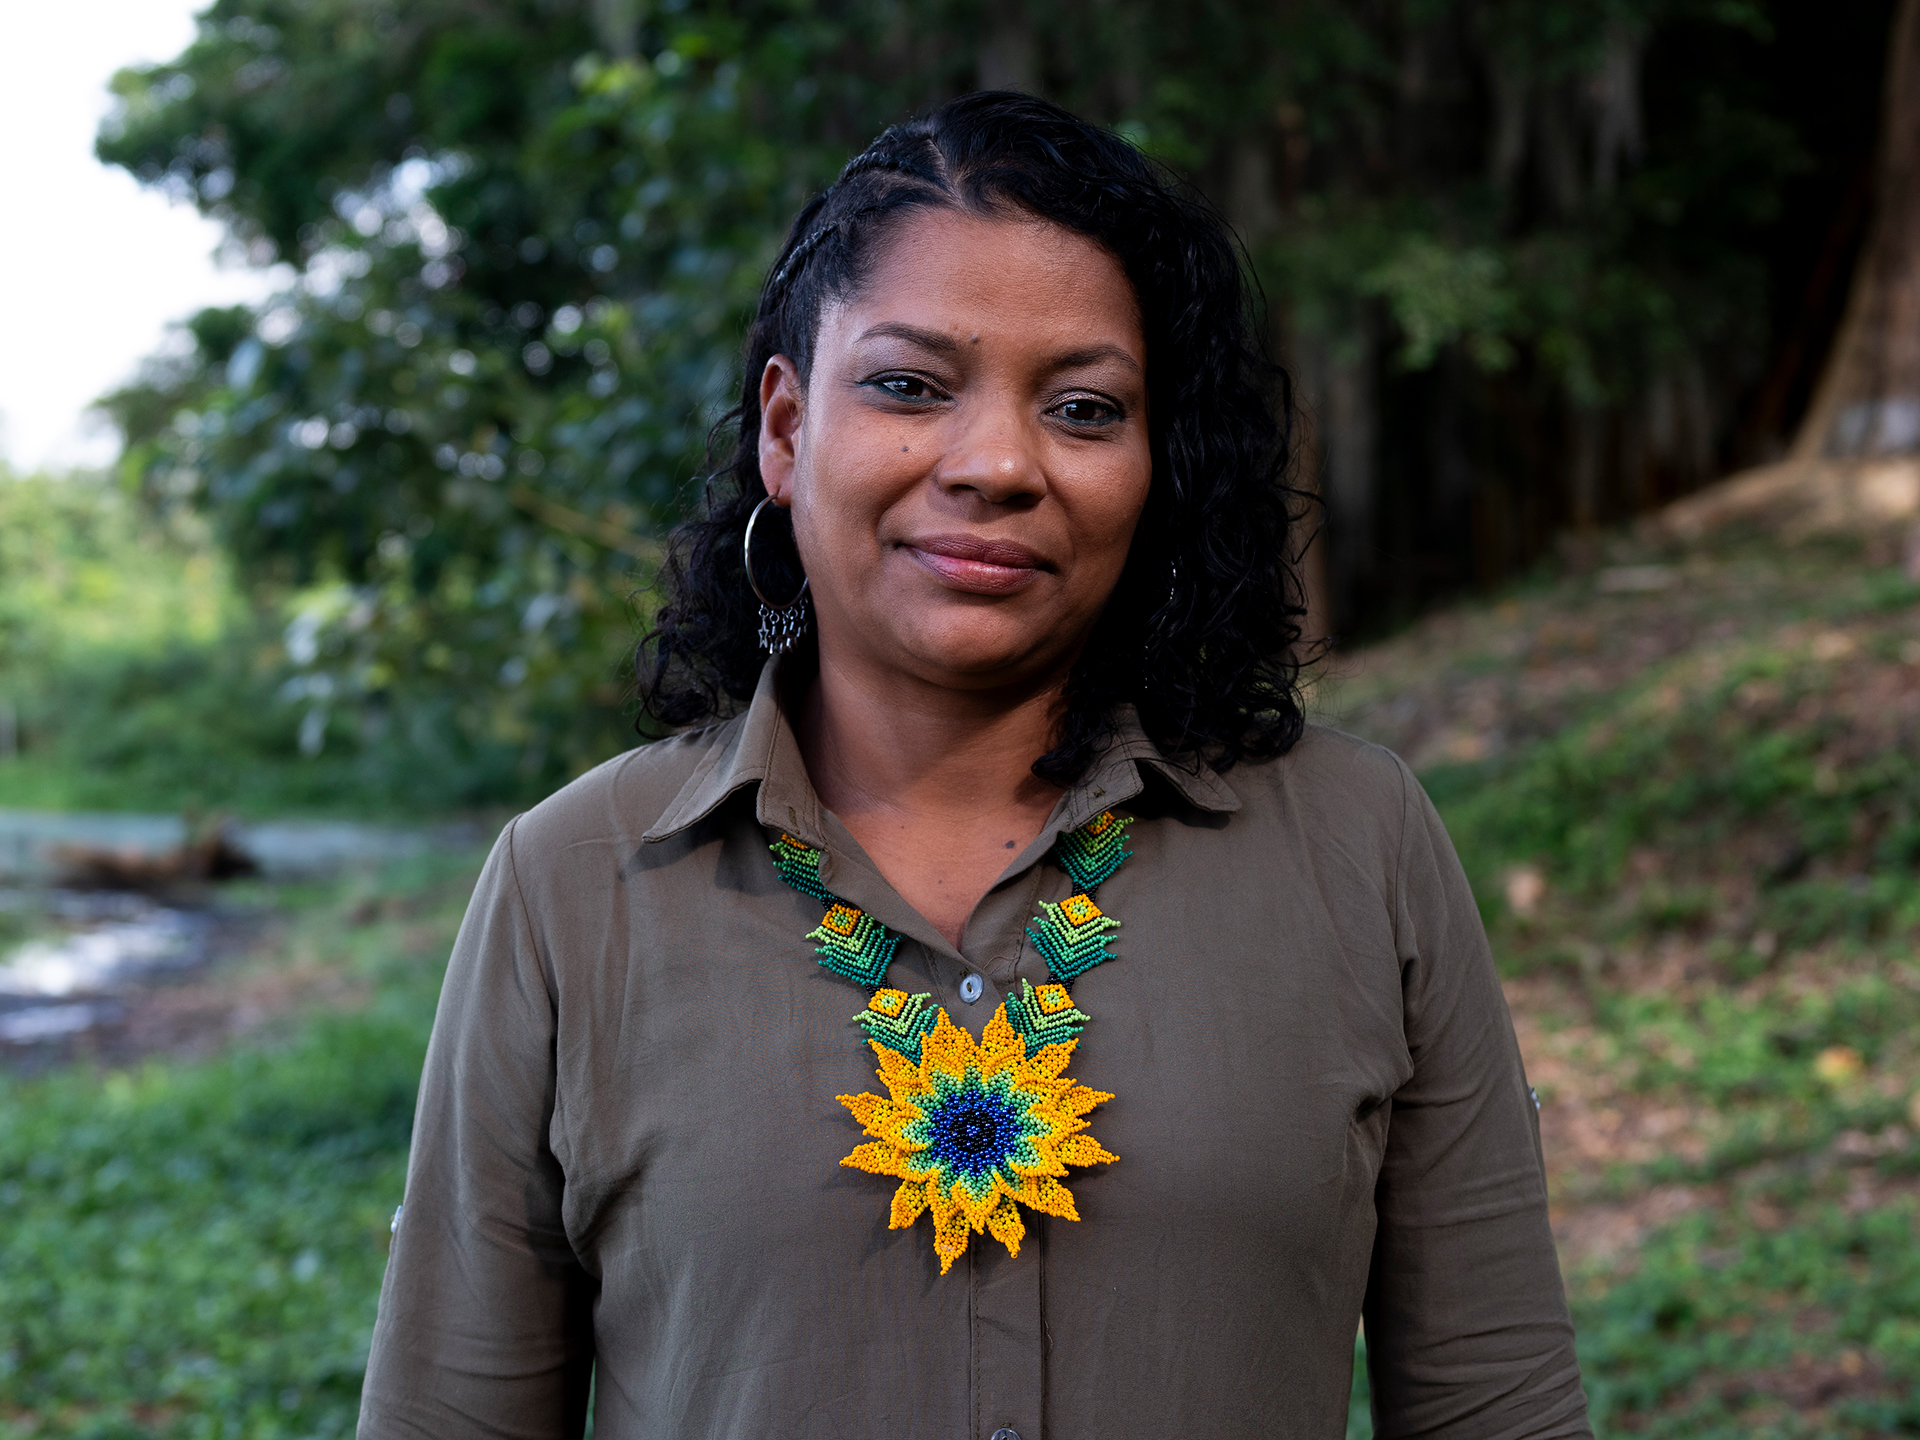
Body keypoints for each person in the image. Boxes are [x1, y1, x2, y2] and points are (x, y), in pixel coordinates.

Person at [357, 91, 1591, 1440]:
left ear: (1153, 465)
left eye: (1083, 406)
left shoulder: (1360, 846)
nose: (998, 463)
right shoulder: (571, 884)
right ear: (785, 428)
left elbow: (1498, 1407)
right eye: (908, 386)